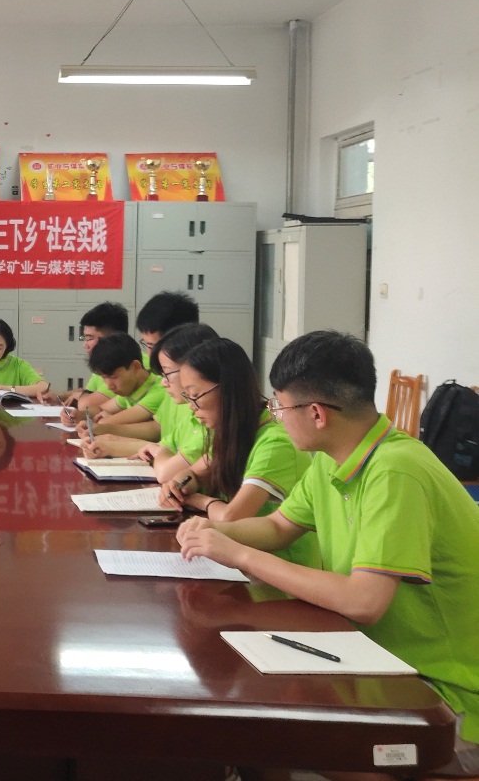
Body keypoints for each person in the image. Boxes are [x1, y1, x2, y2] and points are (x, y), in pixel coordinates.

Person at [178, 331, 479, 770]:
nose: (277, 417)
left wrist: (240, 555)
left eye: (280, 407)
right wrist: (216, 532)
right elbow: (279, 526)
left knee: (283, 736)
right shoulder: (332, 457)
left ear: (316, 413)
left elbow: (364, 602)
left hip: (446, 697)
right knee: (264, 718)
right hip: (379, 660)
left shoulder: (396, 471)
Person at [158, 338, 318, 567]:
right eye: (187, 397)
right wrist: (179, 485)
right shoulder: (234, 430)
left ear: (228, 389)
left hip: (280, 568)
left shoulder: (275, 443)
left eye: (195, 396)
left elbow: (231, 518)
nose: (192, 407)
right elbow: (194, 473)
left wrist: (198, 500)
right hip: (241, 560)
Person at [81, 323, 216, 463]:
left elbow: (172, 460)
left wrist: (114, 441)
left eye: (151, 346)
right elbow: (159, 433)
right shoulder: (177, 395)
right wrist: (113, 440)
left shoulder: (203, 412)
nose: (148, 355)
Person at [71, 333, 164, 456]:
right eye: (104, 378)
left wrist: (102, 424)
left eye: (114, 377)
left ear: (135, 366)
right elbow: (100, 409)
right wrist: (80, 415)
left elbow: (154, 430)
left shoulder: (160, 389)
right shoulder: (131, 389)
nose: (109, 386)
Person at [49, 301, 131, 412]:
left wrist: (81, 396)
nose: (85, 345)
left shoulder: (126, 363)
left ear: (111, 338)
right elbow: (89, 391)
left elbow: (86, 404)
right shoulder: (103, 362)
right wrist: (59, 396)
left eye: (89, 339)